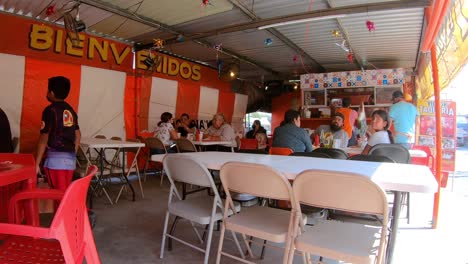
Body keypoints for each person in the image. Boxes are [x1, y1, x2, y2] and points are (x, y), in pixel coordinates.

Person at [35, 76, 80, 191]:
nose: (47, 93)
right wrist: (72, 153)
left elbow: (43, 138)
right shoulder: (71, 110)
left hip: (55, 162)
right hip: (70, 162)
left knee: (58, 195)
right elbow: (78, 134)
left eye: (48, 90)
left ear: (52, 93)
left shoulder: (49, 110)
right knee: (65, 193)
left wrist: (37, 163)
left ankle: (63, 210)